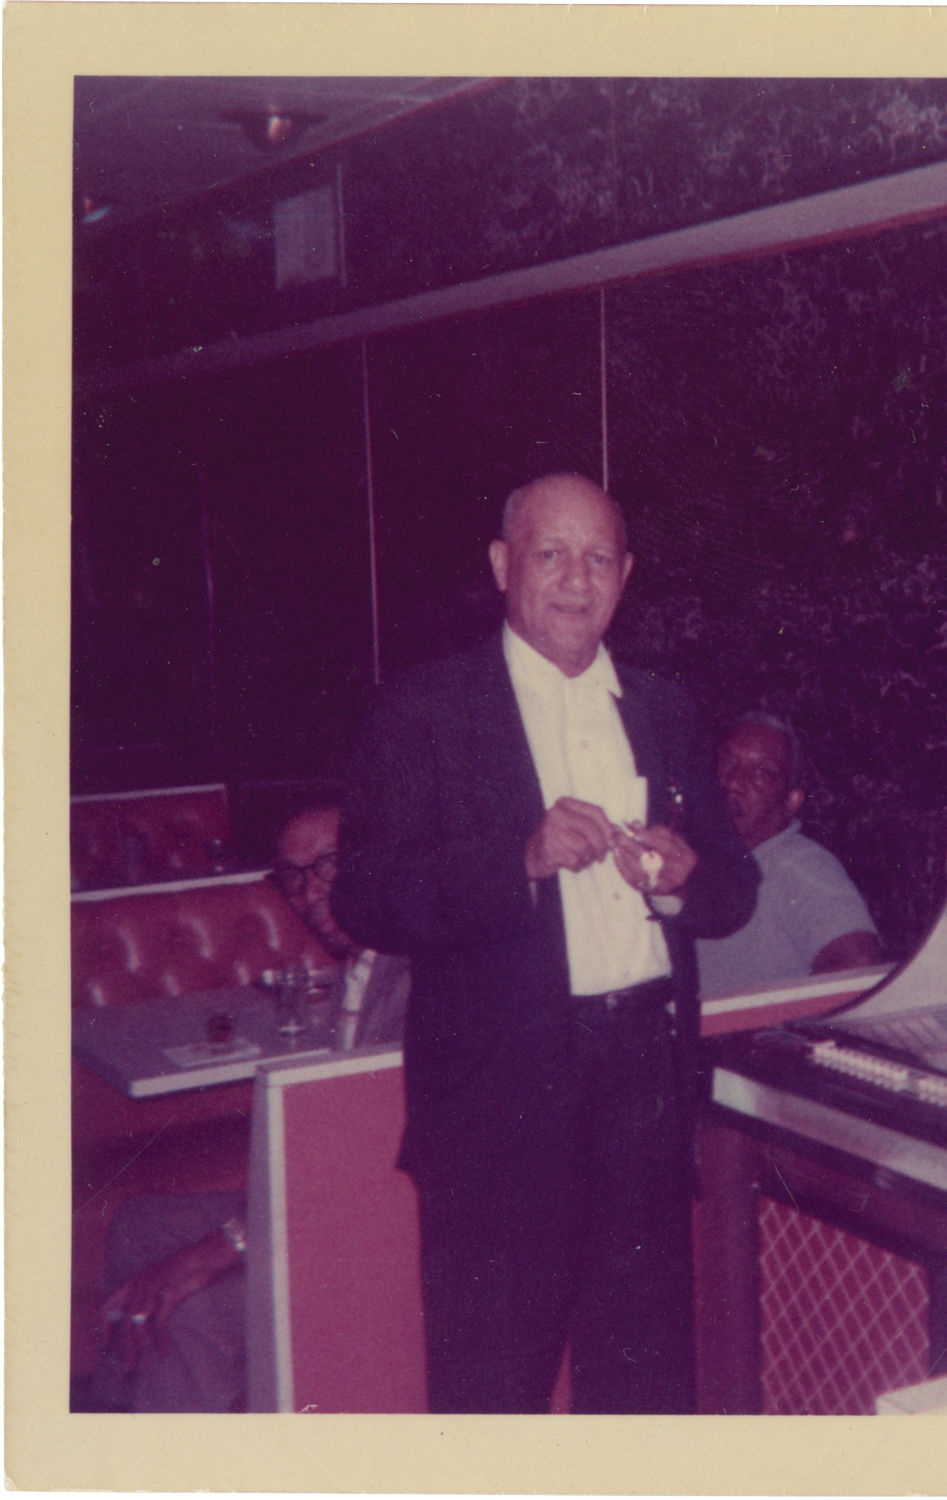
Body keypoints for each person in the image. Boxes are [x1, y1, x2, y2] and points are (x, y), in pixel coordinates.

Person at [330, 471, 759, 1415]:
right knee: (492, 1394)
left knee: (643, 1390)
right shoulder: (425, 711)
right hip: (498, 1106)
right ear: (502, 565)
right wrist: (517, 860)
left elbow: (734, 890)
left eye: (598, 558)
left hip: (645, 1088)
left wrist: (683, 880)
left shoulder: (664, 708)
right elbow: (363, 894)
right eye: (551, 553)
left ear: (626, 576)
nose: (575, 578)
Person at [90, 803, 410, 1412]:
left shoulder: (418, 978)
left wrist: (218, 1250)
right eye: (292, 877)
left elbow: (370, 1170)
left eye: (329, 865)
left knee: (192, 1305)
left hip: (377, 1230)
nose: (308, 894)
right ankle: (125, 1408)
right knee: (137, 1222)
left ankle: (183, 1439)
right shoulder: (362, 966)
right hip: (332, 1200)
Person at [695, 713, 880, 997]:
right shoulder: (695, 860)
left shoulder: (798, 864)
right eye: (726, 763)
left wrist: (770, 1023)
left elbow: (859, 964)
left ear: (791, 801)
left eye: (762, 773)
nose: (733, 783)